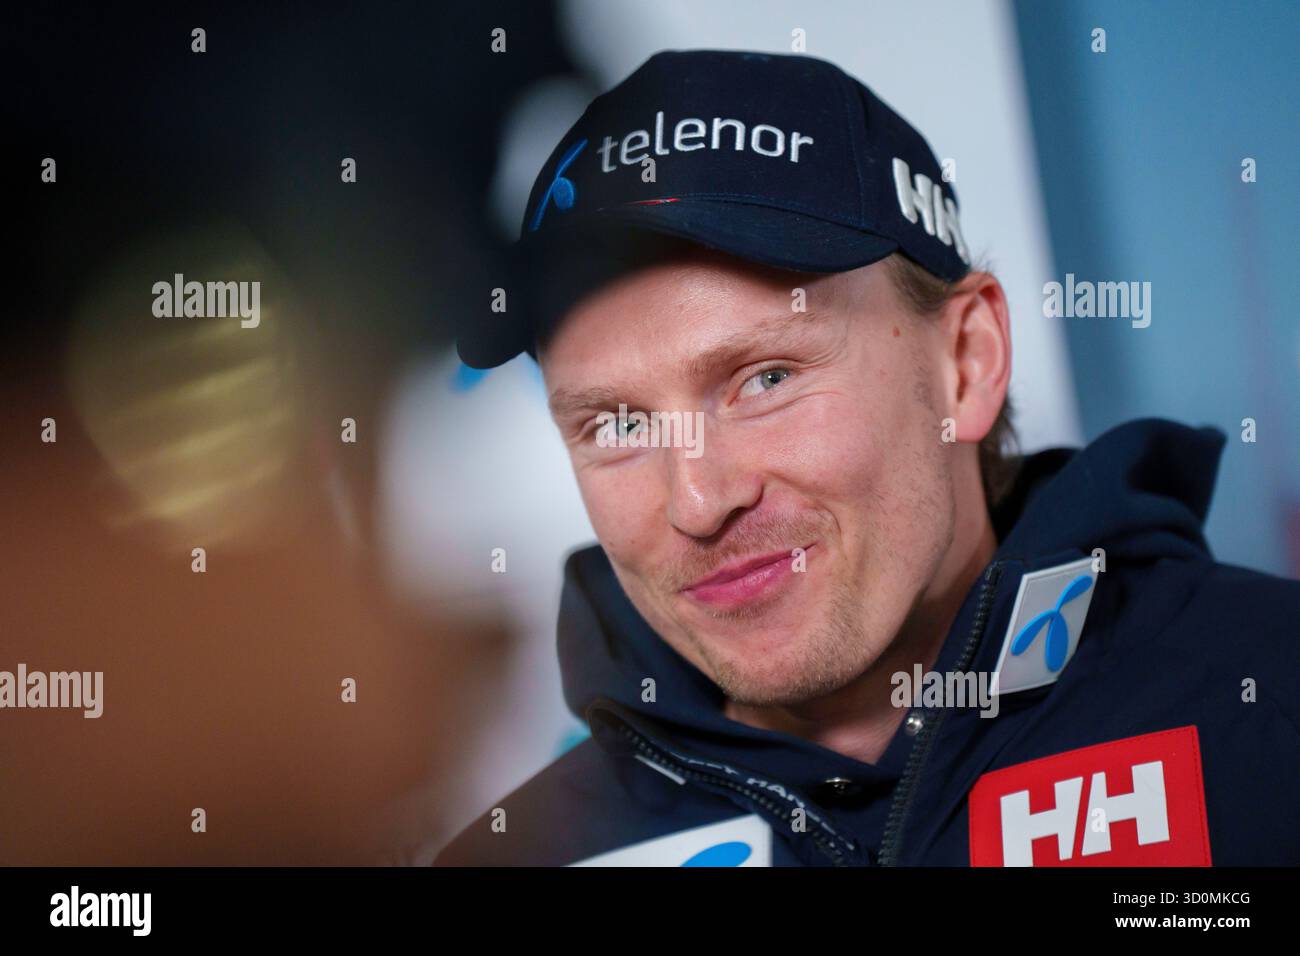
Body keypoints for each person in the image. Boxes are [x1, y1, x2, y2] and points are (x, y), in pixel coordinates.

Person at [437, 50, 1299, 866]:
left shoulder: (1268, 708)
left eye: (764, 378)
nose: (698, 500)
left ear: (966, 363)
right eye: (619, 426)